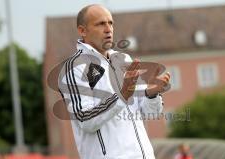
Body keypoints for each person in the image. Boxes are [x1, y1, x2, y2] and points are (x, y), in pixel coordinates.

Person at [58, 4, 170, 159]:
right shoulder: (74, 68)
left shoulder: (124, 59)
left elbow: (151, 113)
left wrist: (151, 94)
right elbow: (85, 120)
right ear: (82, 30)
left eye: (110, 23)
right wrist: (122, 95)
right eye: (100, 24)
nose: (108, 28)